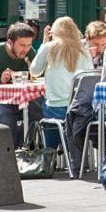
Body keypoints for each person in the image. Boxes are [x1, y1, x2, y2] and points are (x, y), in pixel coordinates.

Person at [29, 17, 93, 149]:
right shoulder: (84, 52)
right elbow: (89, 77)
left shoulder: (49, 48)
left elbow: (34, 71)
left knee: (35, 107)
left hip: (56, 107)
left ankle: (50, 153)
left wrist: (44, 42)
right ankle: (71, 151)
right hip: (79, 109)